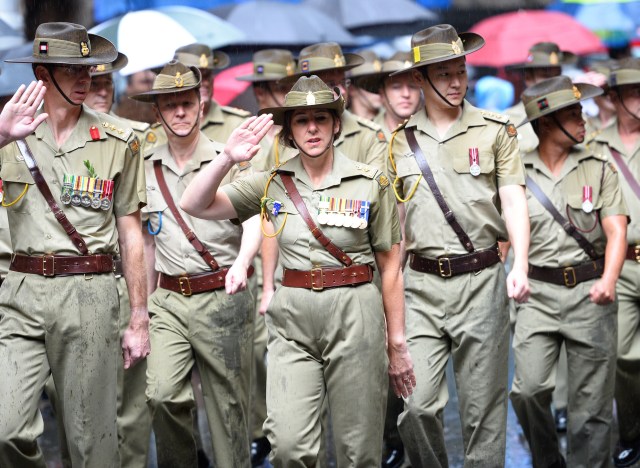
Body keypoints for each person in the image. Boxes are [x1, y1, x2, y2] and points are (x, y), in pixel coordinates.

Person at [180, 75, 416, 467]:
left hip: (355, 311)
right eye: (301, 120)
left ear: (336, 124)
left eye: (320, 118)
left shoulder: (369, 181)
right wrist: (226, 159)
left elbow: (390, 269)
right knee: (289, 447)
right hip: (293, 316)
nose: (311, 128)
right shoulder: (271, 182)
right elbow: (195, 204)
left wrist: (397, 344)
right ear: (289, 128)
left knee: (359, 452)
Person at [0, 22, 148, 467]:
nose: (86, 79)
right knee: (6, 429)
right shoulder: (8, 131)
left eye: (91, 70)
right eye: (71, 70)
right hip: (21, 291)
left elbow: (131, 233)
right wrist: (2, 137)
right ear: (43, 75)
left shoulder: (120, 140)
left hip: (90, 293)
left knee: (91, 443)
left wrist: (139, 318)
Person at [388, 24, 530, 467]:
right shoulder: (396, 144)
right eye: (444, 73)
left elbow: (513, 200)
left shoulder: (496, 131)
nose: (456, 82)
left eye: (461, 71)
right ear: (419, 78)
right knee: (417, 406)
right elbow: (392, 231)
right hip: (421, 286)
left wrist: (520, 264)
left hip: (482, 279)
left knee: (483, 412)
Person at [131, 60, 261, 467]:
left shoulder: (233, 157)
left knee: (228, 412)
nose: (180, 112)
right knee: (162, 395)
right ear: (157, 112)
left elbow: (258, 218)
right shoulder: (145, 165)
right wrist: (142, 311)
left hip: (223, 293)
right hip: (169, 298)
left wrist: (243, 262)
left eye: (186, 103)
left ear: (201, 105)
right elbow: (147, 243)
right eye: (169, 105)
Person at [510, 75, 628, 468]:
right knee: (527, 391)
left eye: (582, 110)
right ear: (546, 123)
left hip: (590, 292)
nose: (584, 119)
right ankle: (547, 461)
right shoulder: (515, 171)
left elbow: (616, 231)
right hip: (537, 297)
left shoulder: (598, 166)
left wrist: (609, 280)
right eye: (573, 112)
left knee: (591, 407)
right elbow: (503, 234)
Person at [504, 40, 575, 432]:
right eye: (539, 75)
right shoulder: (508, 121)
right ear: (526, 77)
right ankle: (537, 401)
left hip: (567, 230)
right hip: (522, 228)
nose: (544, 80)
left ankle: (561, 402)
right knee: (527, 326)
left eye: (552, 74)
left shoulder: (574, 116)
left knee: (566, 330)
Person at [236, 47, 297, 466]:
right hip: (262, 258)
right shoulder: (249, 138)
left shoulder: (307, 130)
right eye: (262, 86)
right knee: (259, 352)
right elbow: (247, 208)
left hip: (310, 259)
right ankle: (261, 428)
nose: (269, 94)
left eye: (277, 86)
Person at [588, 57, 640, 467]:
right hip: (620, 263)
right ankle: (632, 433)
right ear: (616, 97)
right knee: (623, 356)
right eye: (633, 92)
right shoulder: (595, 146)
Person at [267, 42, 388, 170]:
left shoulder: (369, 135)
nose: (343, 91)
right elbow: (269, 187)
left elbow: (377, 188)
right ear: (306, 87)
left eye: (344, 82)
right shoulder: (282, 140)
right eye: (330, 84)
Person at [505, 42, 577, 155]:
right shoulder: (509, 121)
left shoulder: (577, 117)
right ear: (528, 78)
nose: (555, 83)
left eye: (558, 76)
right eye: (546, 77)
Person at [173, 43, 252, 144]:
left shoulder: (238, 124)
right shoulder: (164, 128)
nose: (203, 82)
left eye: (207, 75)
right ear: (178, 80)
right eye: (195, 77)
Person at [351, 51, 422, 139]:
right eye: (396, 87)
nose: (406, 94)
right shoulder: (363, 137)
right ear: (381, 93)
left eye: (413, 86)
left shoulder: (436, 129)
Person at [346, 50, 383, 121]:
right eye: (370, 84)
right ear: (351, 89)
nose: (378, 89)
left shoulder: (392, 122)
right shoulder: (340, 125)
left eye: (381, 83)